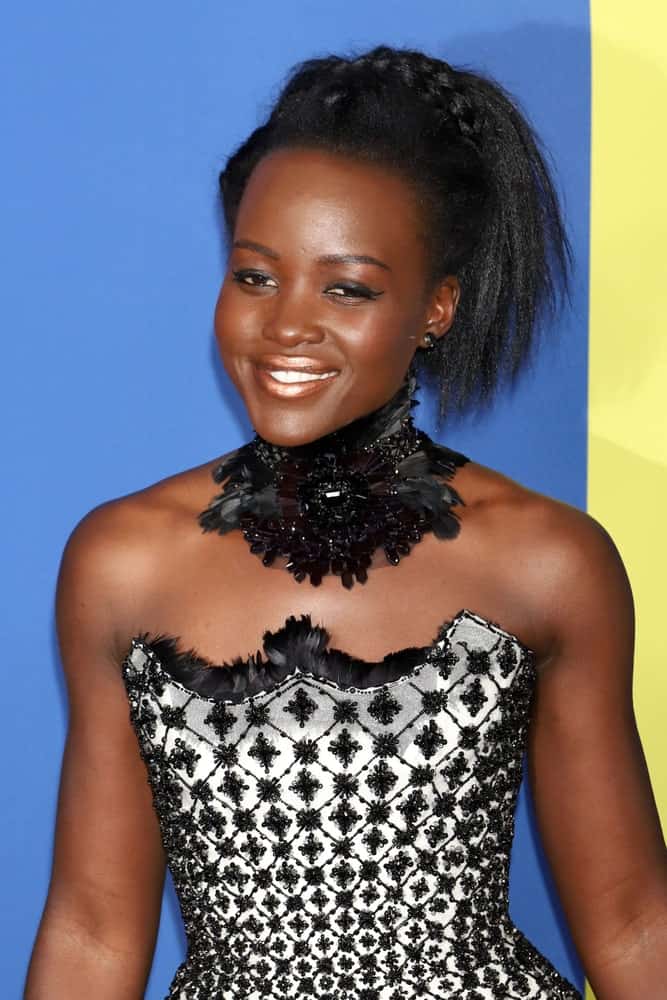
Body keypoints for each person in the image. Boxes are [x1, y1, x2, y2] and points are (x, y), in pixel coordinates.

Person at [26, 43, 667, 1000]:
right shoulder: (122, 561)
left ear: (434, 308)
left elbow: (630, 923)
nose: (286, 325)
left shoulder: (548, 562)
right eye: (254, 277)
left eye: (348, 288)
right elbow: (90, 930)